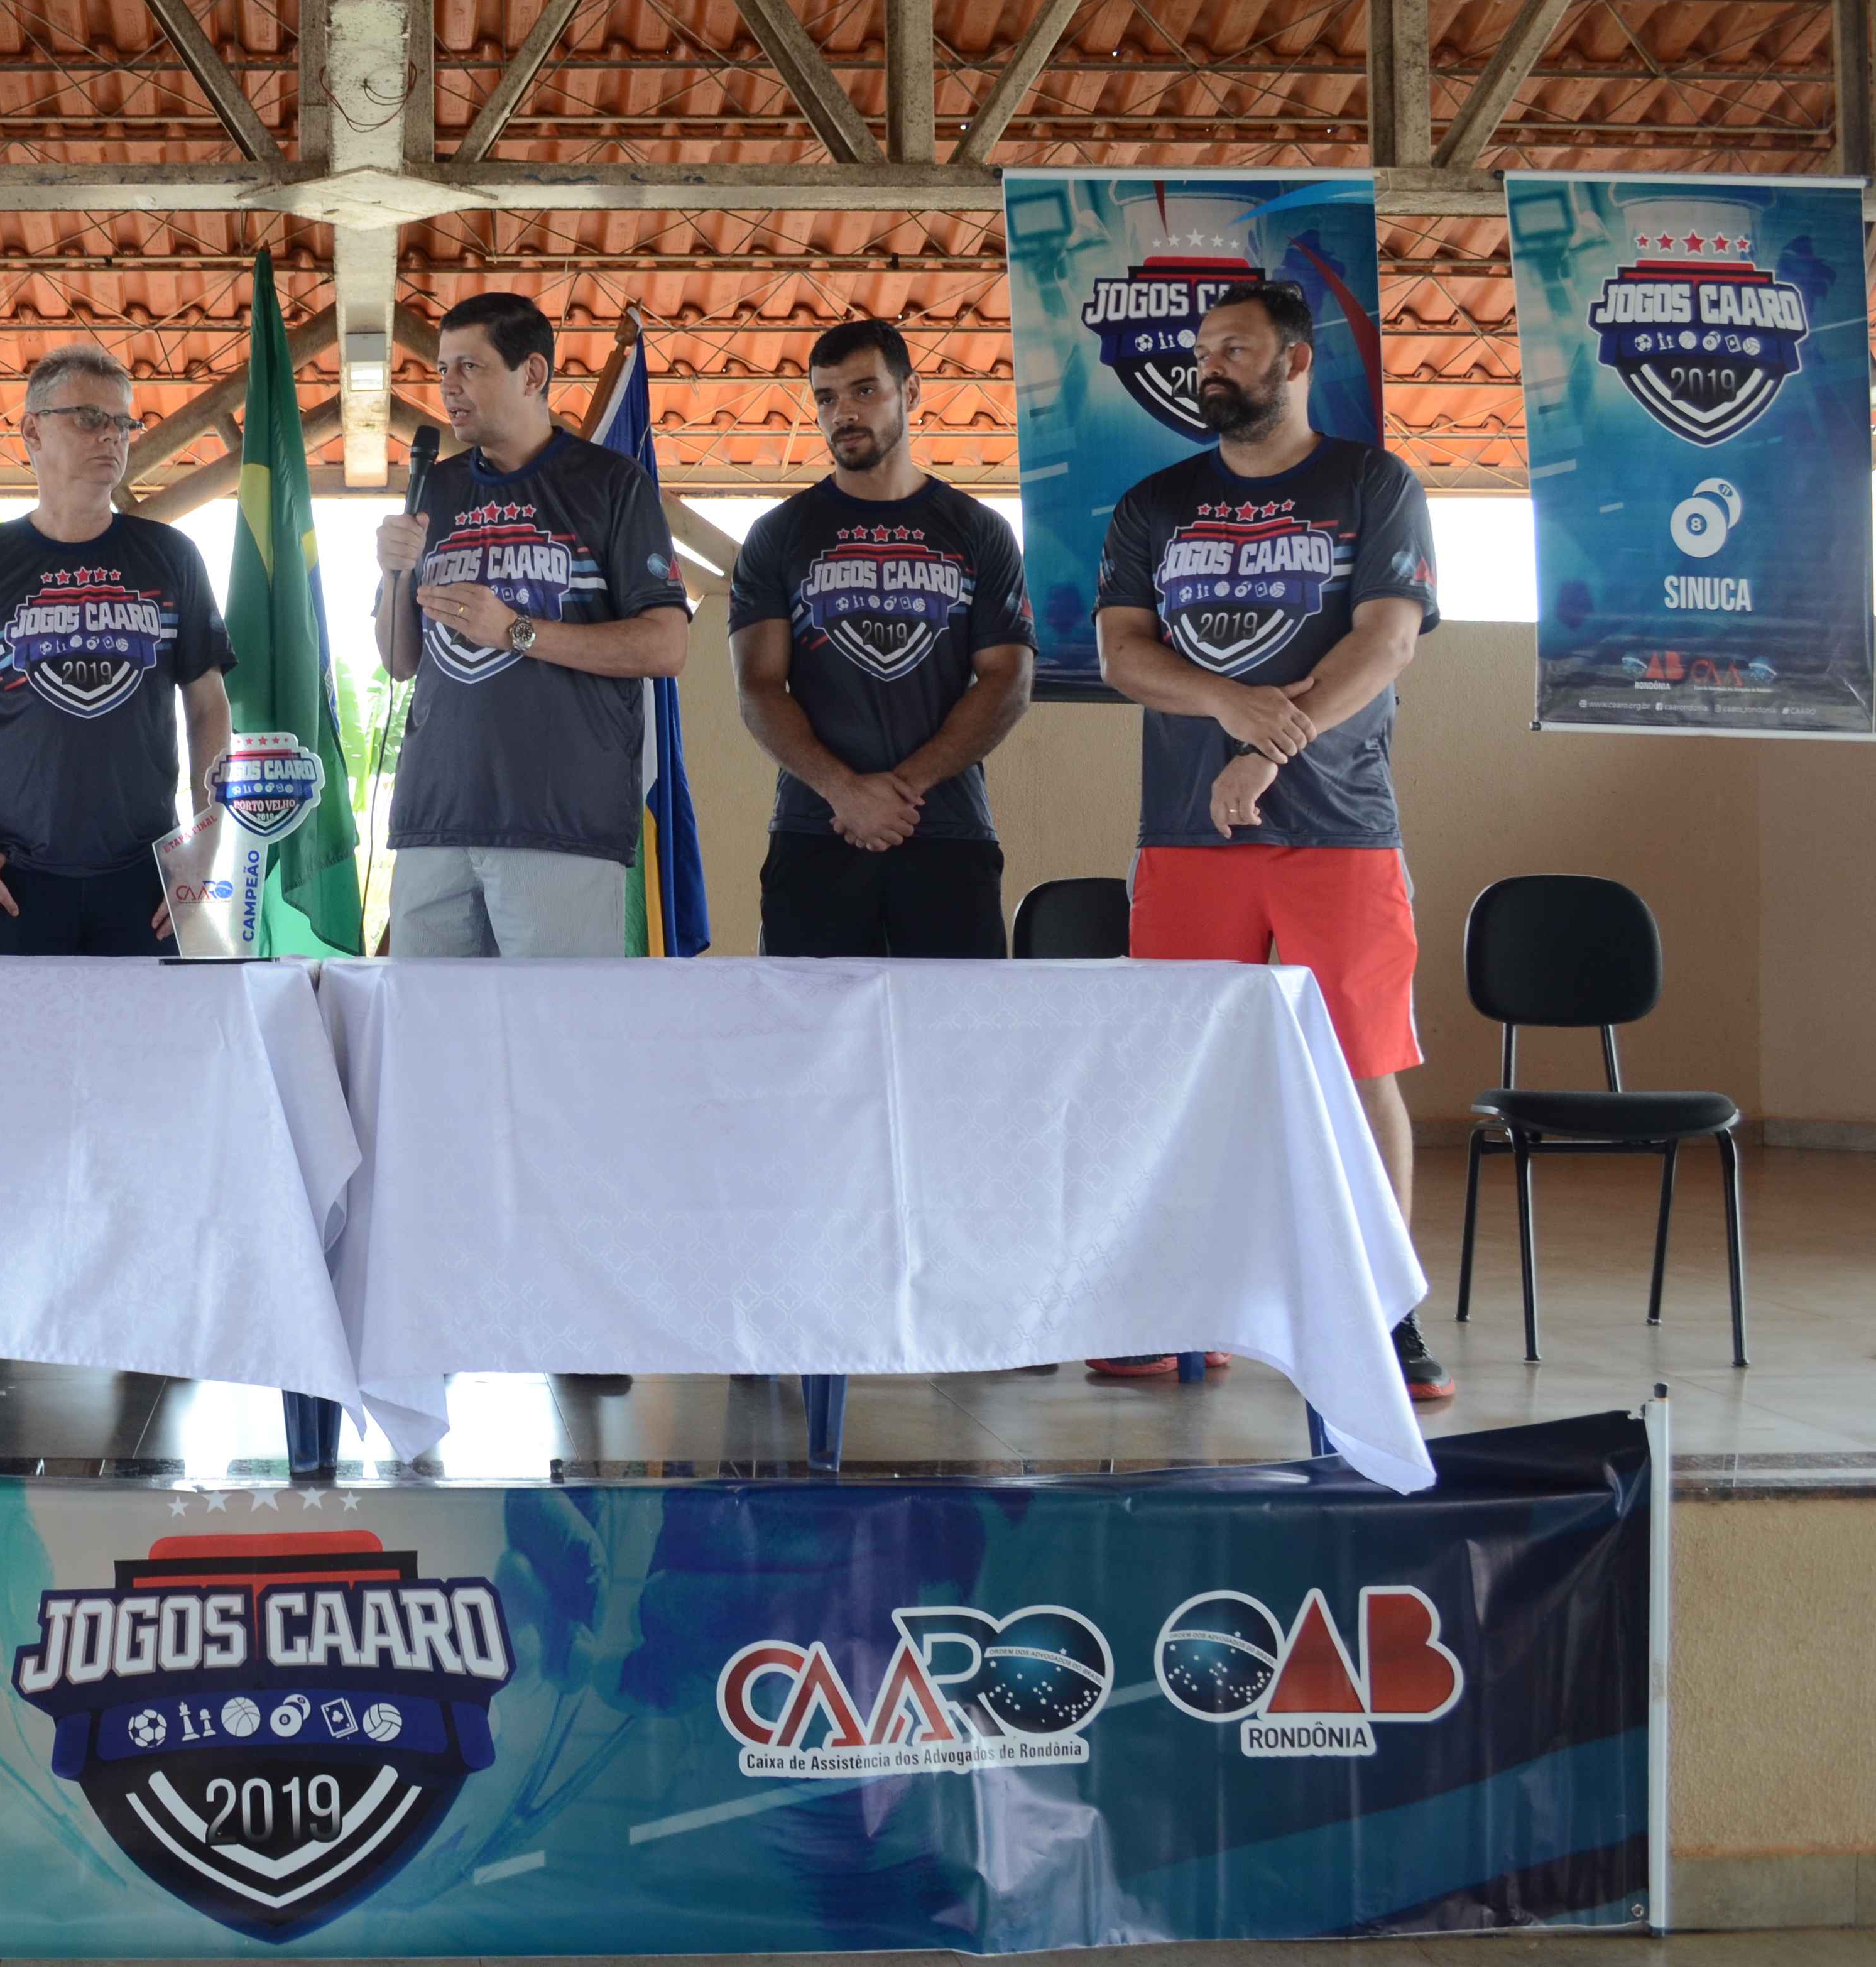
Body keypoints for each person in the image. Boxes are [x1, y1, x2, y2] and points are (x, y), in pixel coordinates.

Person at [1093, 278, 1453, 1401]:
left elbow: (1384, 643)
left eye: (1235, 349)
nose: (1209, 366)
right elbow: (1122, 654)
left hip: (1338, 831)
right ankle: (1177, 1305)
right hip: (1184, 837)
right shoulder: (1153, 504)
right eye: (1204, 350)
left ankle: (1383, 1314)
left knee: (1358, 1071)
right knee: (1181, 1078)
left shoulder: (1372, 484)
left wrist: (1267, 748)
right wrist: (1227, 706)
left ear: (1295, 362)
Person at [371, 292, 690, 956]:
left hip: (557, 825)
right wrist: (392, 573)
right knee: (426, 1022)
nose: (448, 386)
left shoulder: (611, 484)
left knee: (554, 1024)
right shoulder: (436, 489)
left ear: (533, 373)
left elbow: (666, 644)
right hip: (434, 821)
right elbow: (400, 662)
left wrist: (517, 631)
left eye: (470, 366)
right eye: (442, 369)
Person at [0, 344, 233, 956]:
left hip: (146, 880)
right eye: (89, 418)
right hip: (13, 883)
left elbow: (209, 707)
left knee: (152, 1026)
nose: (111, 435)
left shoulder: (172, 557)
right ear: (32, 431)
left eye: (123, 422)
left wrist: (207, 846)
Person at [729, 319, 1034, 957]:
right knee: (809, 1019)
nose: (842, 413)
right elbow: (759, 685)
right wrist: (844, 792)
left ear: (910, 392)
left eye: (864, 391)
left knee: (954, 1019)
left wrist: (900, 792)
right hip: (818, 827)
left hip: (946, 828)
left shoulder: (979, 530)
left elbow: (1007, 680)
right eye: (826, 398)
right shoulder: (777, 534)